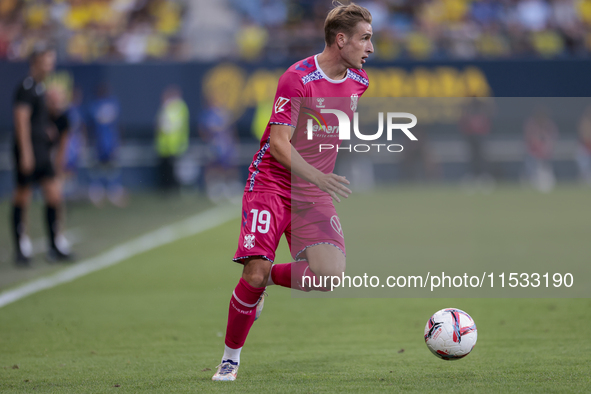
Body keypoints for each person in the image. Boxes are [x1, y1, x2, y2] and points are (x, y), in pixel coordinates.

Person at [212, 2, 373, 381]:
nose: (370, 48)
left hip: (312, 191)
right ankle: (230, 359)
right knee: (252, 271)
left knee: (328, 277)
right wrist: (318, 177)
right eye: (365, 39)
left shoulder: (359, 83)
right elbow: (280, 144)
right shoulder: (296, 78)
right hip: (271, 184)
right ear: (340, 39)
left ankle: (266, 280)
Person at [10, 47, 72, 266]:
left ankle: (54, 245)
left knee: (54, 194)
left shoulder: (40, 89)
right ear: (35, 62)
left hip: (42, 150)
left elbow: (37, 120)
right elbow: (21, 120)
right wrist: (26, 152)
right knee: (22, 196)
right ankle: (21, 247)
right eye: (46, 61)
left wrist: (48, 129)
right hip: (29, 150)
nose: (50, 65)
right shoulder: (26, 88)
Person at [87, 83, 127, 207]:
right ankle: (98, 193)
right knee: (99, 169)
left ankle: (112, 193)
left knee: (111, 169)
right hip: (101, 142)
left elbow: (117, 124)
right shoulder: (97, 105)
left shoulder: (107, 104)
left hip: (108, 141)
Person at [155, 85, 189, 193]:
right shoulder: (166, 107)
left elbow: (173, 126)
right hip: (164, 146)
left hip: (175, 145)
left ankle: (174, 189)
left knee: (174, 171)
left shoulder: (178, 107)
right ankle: (167, 188)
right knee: (165, 170)